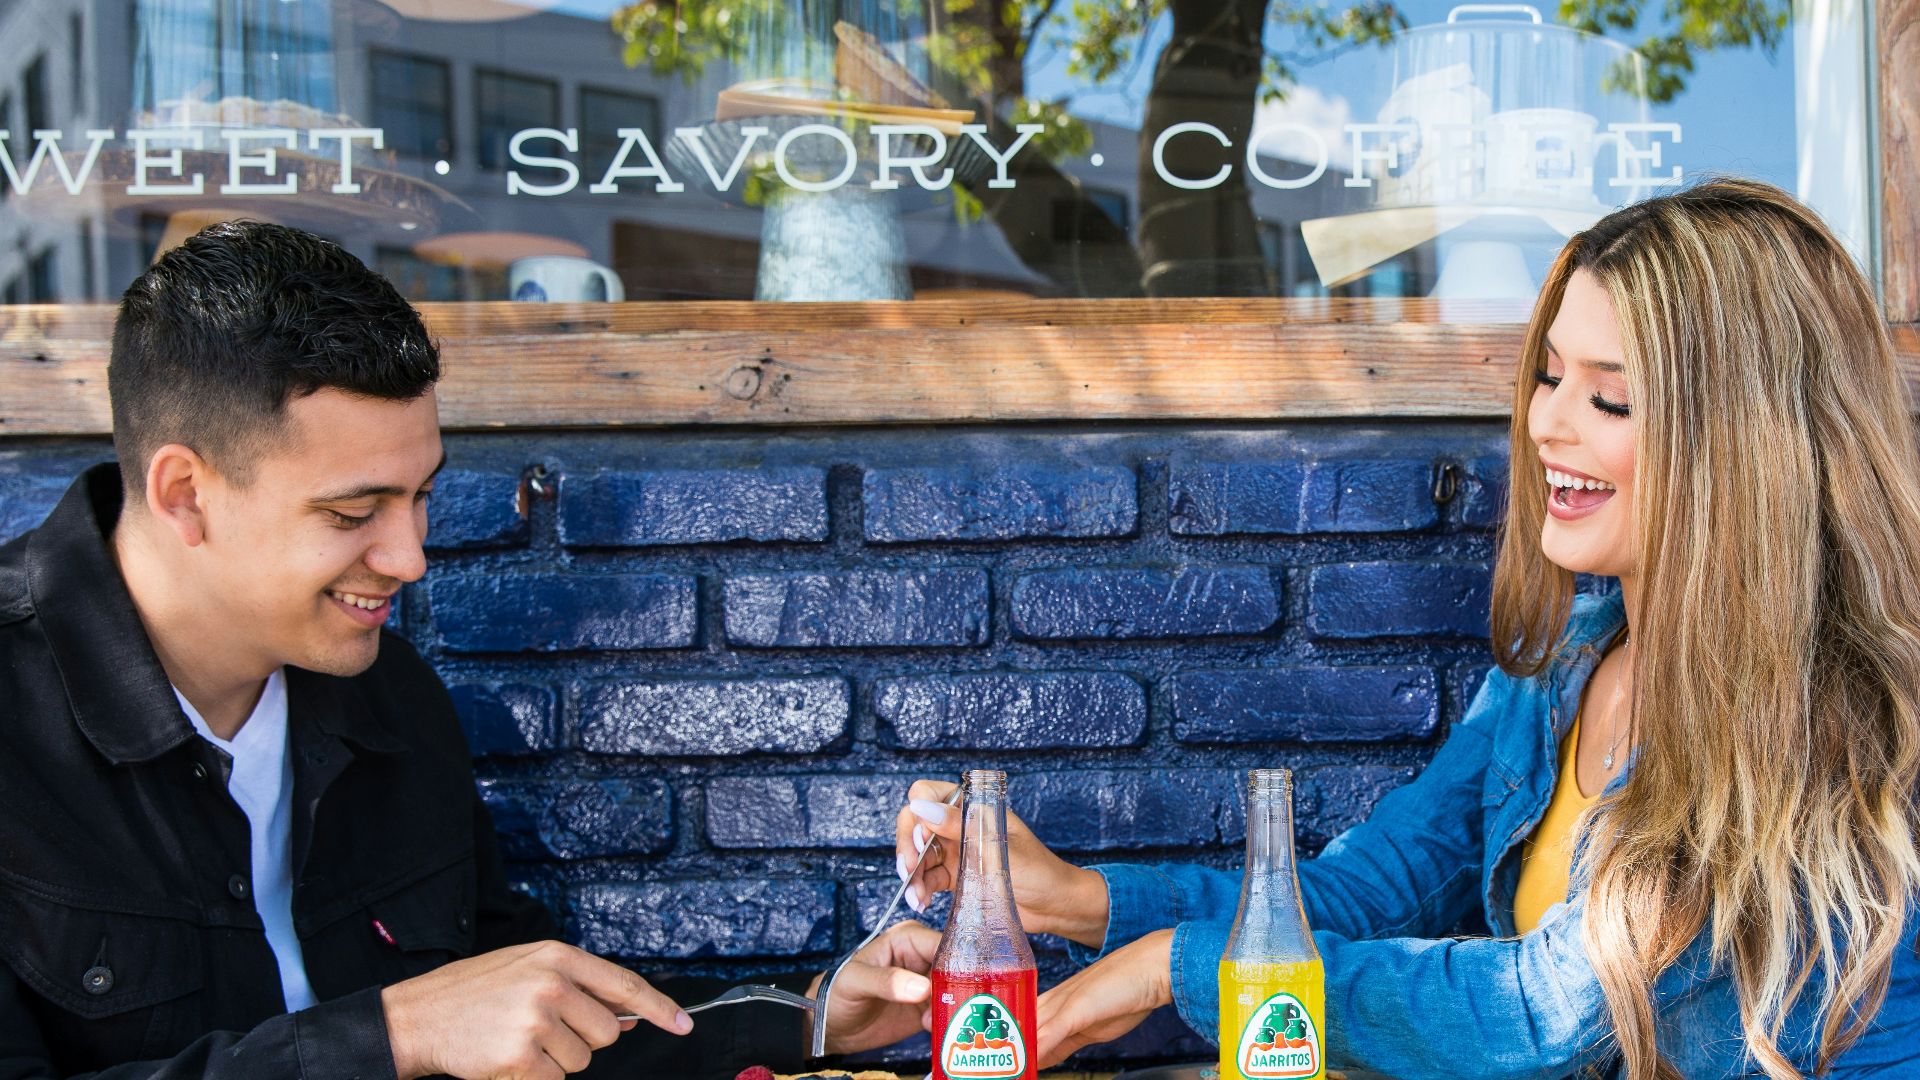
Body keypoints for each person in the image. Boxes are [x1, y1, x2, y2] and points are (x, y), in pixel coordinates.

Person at [893, 178, 1920, 1078]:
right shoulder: (1559, 671)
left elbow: (1532, 1014)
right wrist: (1073, 897)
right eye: (1551, 375)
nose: (1546, 421)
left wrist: (1170, 971)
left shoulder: (1816, 720)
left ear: (1742, 449)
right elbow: (1365, 893)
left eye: (1609, 398)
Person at [0, 220, 938, 1080]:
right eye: (352, 512)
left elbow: (531, 1009)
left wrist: (808, 1019)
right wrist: (393, 1033)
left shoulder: (385, 692)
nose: (408, 558)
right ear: (184, 494)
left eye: (421, 498)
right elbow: (429, 1022)